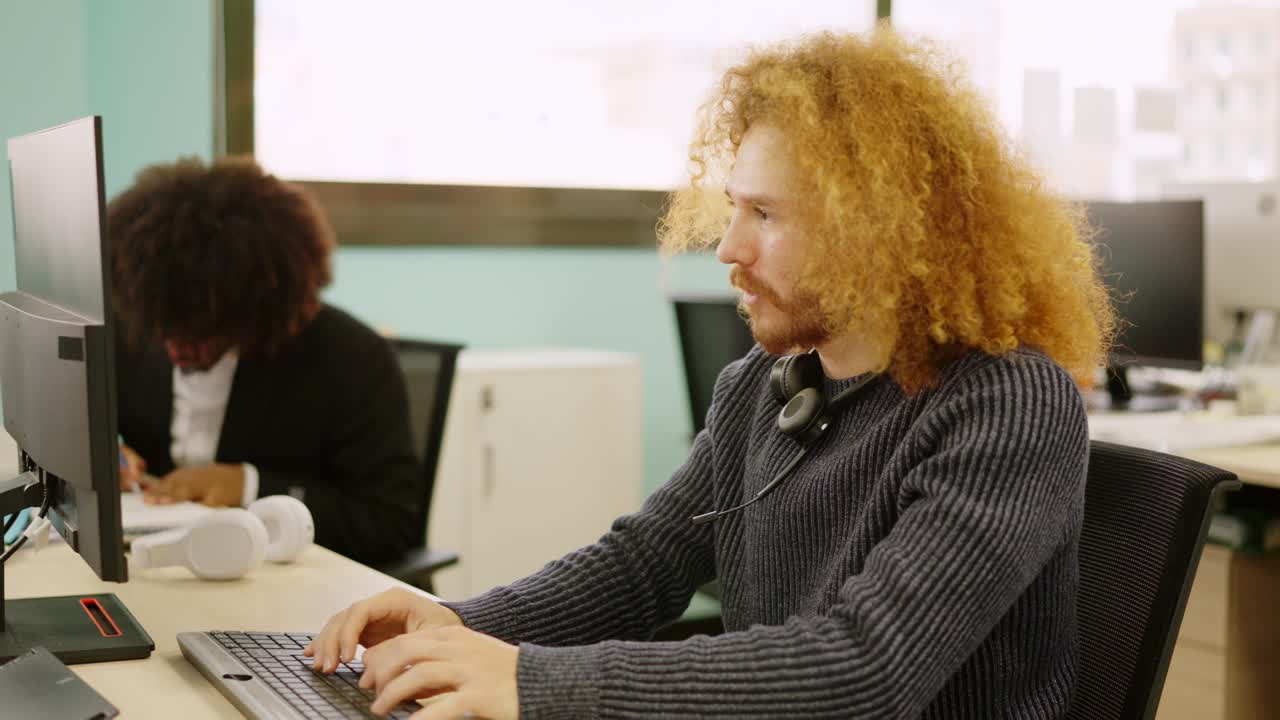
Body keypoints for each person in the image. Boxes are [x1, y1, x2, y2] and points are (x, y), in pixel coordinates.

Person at [306, 27, 1117, 718]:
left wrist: (534, 682)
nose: (728, 247)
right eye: (733, 208)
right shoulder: (765, 391)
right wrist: (451, 626)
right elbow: (643, 566)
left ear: (879, 232)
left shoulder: (1005, 402)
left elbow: (865, 671)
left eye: (765, 214)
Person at [110, 157, 420, 566]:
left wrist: (249, 486)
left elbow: (389, 522)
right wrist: (109, 458)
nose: (174, 350)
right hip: (163, 568)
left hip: (294, 591)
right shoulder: (144, 325)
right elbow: (90, 428)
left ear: (253, 308)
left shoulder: (352, 358)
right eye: (165, 331)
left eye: (200, 333)